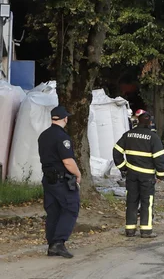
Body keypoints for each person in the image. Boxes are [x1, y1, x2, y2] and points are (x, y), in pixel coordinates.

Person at [113, 110, 164, 238]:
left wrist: (123, 168)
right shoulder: (153, 137)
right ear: (150, 123)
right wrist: (160, 175)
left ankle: (130, 230)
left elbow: (116, 152)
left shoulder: (128, 135)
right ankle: (146, 230)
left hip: (131, 175)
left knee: (131, 201)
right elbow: (159, 158)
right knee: (147, 202)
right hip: (147, 176)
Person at [37, 105, 81, 258]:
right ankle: (58, 243)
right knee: (71, 207)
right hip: (61, 180)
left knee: (53, 211)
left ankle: (52, 245)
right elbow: (68, 161)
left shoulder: (43, 135)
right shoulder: (62, 137)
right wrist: (78, 174)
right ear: (65, 119)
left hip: (48, 179)